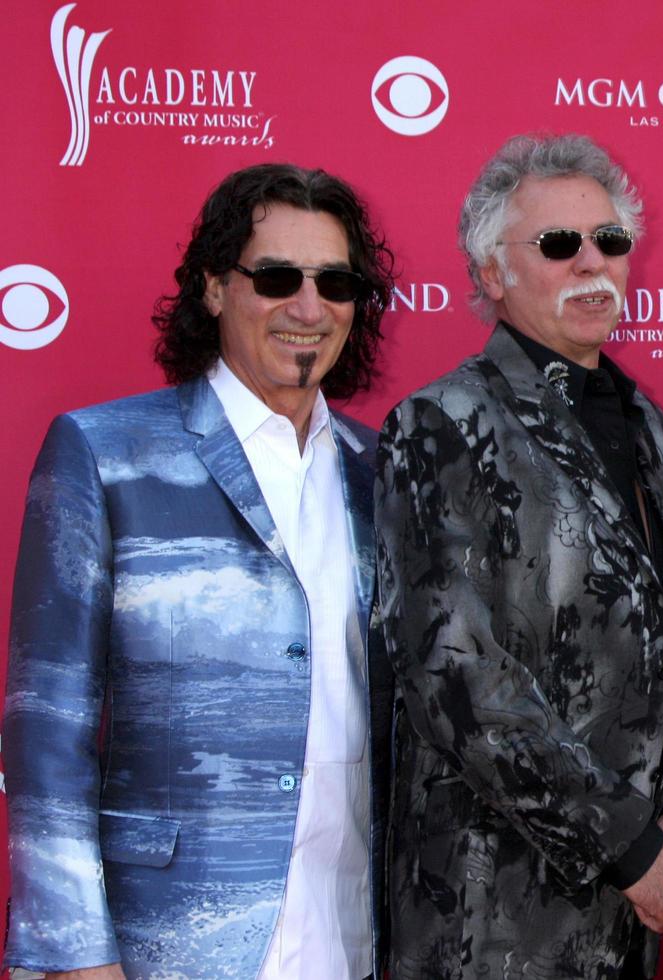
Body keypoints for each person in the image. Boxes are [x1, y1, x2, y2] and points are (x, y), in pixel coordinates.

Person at [3, 163, 397, 978]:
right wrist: (74, 951)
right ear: (215, 289)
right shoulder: (106, 455)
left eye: (337, 282)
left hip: (348, 933)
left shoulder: (380, 471)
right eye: (278, 277)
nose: (309, 308)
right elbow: (47, 730)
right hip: (168, 944)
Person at [375, 133, 663, 980]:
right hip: (490, 912)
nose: (591, 261)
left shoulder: (647, 422)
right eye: (559, 245)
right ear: (492, 274)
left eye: (610, 241)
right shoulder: (442, 423)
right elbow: (456, 675)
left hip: (631, 908)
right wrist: (632, 847)